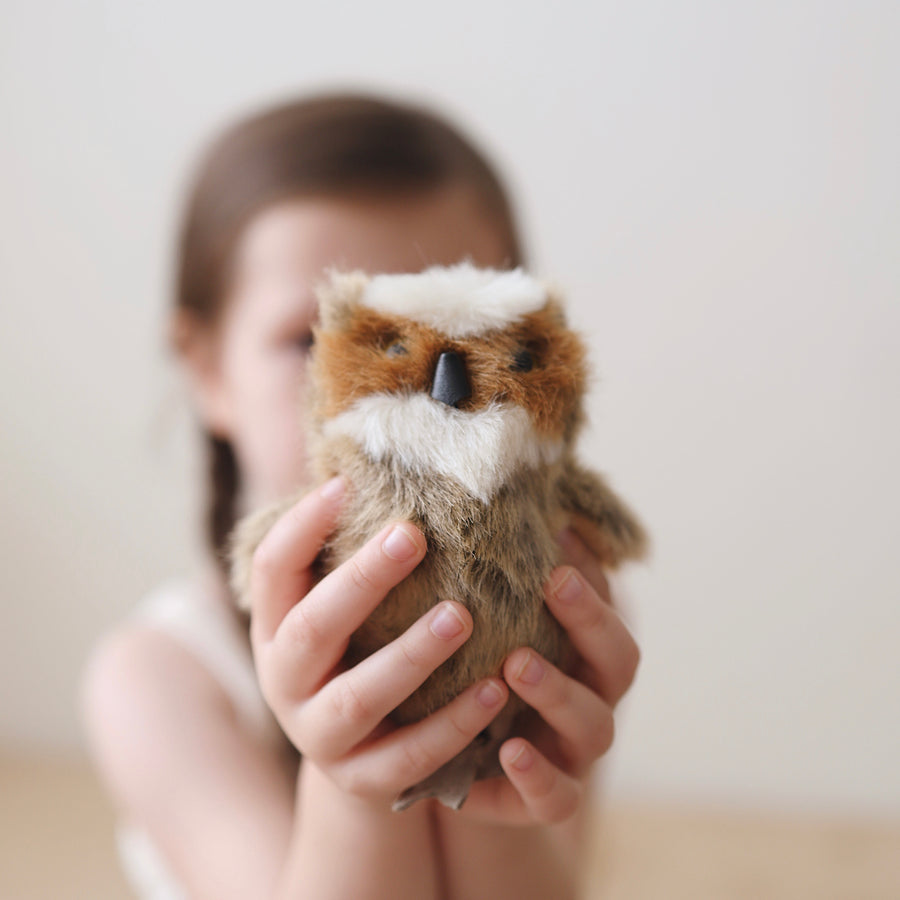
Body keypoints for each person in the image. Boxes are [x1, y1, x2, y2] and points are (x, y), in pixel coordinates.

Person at [81, 93, 641, 900]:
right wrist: (357, 780)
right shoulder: (157, 679)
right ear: (207, 371)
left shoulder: (565, 608)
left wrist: (491, 751)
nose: (429, 397)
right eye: (311, 339)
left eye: (467, 340)